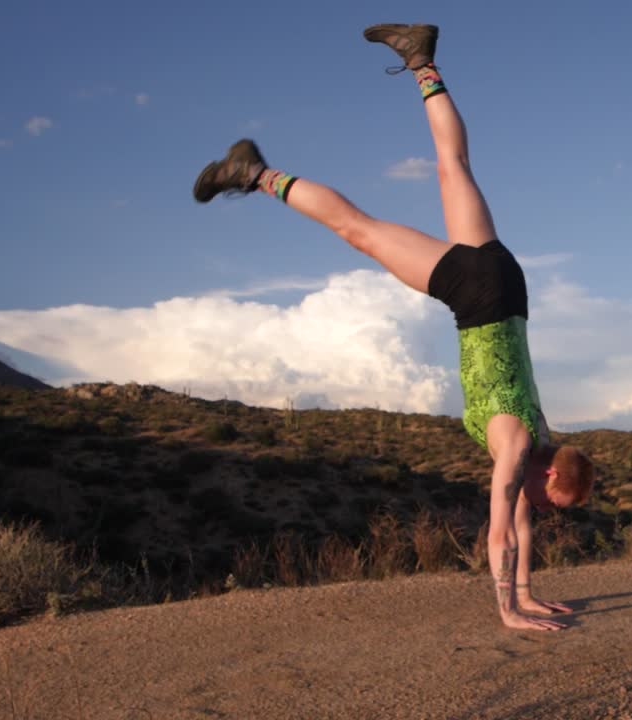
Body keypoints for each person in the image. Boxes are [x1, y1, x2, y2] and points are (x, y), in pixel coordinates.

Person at [193, 23, 595, 631]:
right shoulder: (517, 444)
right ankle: (253, 174)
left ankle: (421, 60)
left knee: (452, 165)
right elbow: (500, 532)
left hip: (508, 288)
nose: (546, 509)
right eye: (553, 499)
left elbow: (520, 520)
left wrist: (530, 592)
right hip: (479, 297)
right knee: (357, 228)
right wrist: (509, 609)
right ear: (546, 472)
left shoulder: (540, 434)